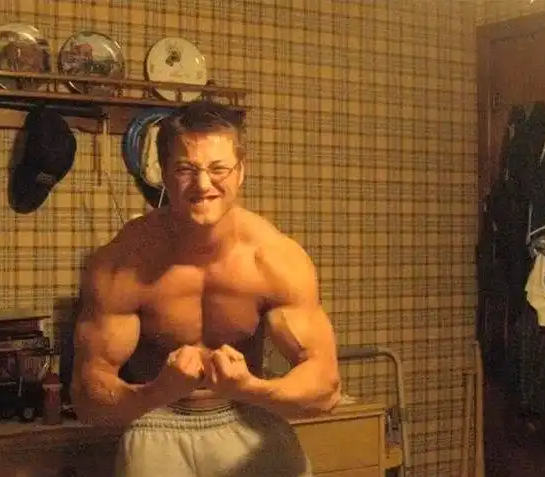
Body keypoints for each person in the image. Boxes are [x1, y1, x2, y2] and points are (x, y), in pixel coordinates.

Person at [71, 100, 342, 477]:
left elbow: (326, 389)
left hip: (249, 415)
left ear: (241, 171)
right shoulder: (123, 262)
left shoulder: (274, 259)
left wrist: (249, 388)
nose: (203, 185)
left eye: (218, 169)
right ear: (164, 172)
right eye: (186, 169)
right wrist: (158, 391)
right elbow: (87, 400)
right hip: (157, 422)